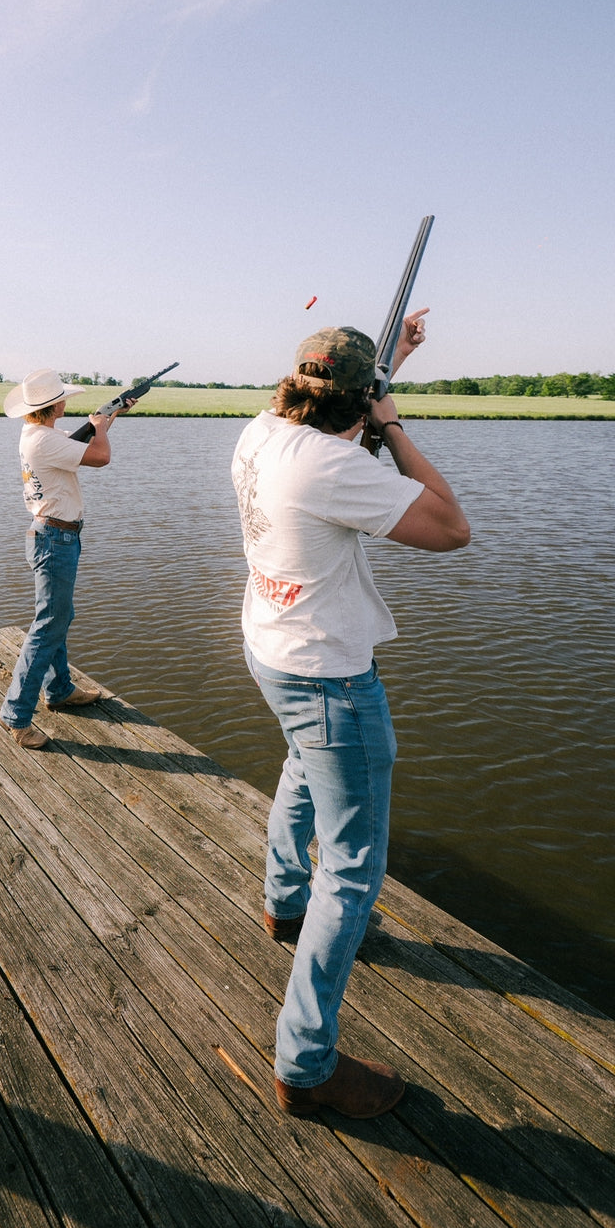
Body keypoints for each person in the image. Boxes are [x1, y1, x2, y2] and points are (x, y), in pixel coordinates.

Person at [232, 311, 470, 1119]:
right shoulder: (334, 467)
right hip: (331, 677)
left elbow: (328, 417)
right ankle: (305, 1064)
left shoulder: (260, 432)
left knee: (301, 766)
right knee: (356, 869)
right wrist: (393, 423)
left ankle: (281, 902)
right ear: (360, 403)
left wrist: (383, 365)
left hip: (271, 650)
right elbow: (450, 527)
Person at [0, 369, 132, 749]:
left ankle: (58, 689)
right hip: (55, 538)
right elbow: (101, 456)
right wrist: (100, 428)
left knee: (57, 616)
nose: (66, 402)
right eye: (62, 398)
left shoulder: (38, 435)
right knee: (48, 625)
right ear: (54, 405)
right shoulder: (45, 442)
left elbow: (82, 441)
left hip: (52, 535)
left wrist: (109, 417)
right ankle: (17, 716)